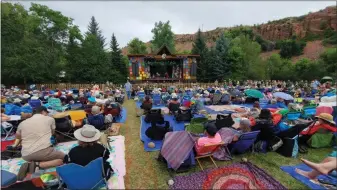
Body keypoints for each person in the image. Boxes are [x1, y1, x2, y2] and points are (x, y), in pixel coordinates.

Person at [16, 106, 65, 180]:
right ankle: (38, 165)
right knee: (63, 158)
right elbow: (52, 133)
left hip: (25, 155)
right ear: (43, 112)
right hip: (42, 152)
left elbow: (18, 137)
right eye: (46, 113)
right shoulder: (50, 119)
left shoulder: (22, 123)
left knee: (45, 155)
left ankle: (35, 162)